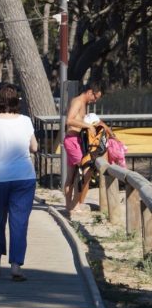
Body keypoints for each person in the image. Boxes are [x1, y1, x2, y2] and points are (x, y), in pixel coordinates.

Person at [0, 84, 37, 281]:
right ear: (16, 101)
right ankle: (16, 266)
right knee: (19, 222)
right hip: (24, 177)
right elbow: (34, 147)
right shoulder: (26, 121)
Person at [63, 82, 111, 213]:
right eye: (95, 97)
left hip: (78, 140)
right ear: (90, 92)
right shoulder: (78, 101)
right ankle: (74, 204)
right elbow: (69, 120)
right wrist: (88, 126)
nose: (95, 101)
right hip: (72, 140)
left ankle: (70, 206)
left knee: (72, 175)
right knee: (86, 170)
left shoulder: (83, 104)